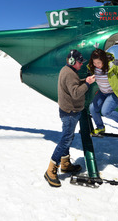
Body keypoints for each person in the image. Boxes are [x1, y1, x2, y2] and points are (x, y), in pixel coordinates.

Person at [44, 49, 95, 188]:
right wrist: (88, 84)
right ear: (72, 62)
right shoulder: (70, 74)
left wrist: (85, 80)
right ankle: (51, 170)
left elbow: (74, 83)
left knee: (68, 137)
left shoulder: (67, 71)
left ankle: (65, 164)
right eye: (79, 63)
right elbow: (76, 93)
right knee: (66, 139)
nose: (81, 65)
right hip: (70, 112)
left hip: (67, 110)